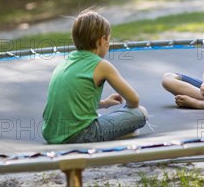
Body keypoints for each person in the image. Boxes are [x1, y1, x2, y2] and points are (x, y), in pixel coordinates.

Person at [42, 10, 147, 143]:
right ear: (102, 40)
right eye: (108, 41)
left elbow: (71, 103)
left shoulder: (66, 61)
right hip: (80, 135)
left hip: (51, 135)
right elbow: (134, 100)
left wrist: (104, 104)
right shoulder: (102, 65)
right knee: (141, 113)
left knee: (106, 119)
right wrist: (127, 113)